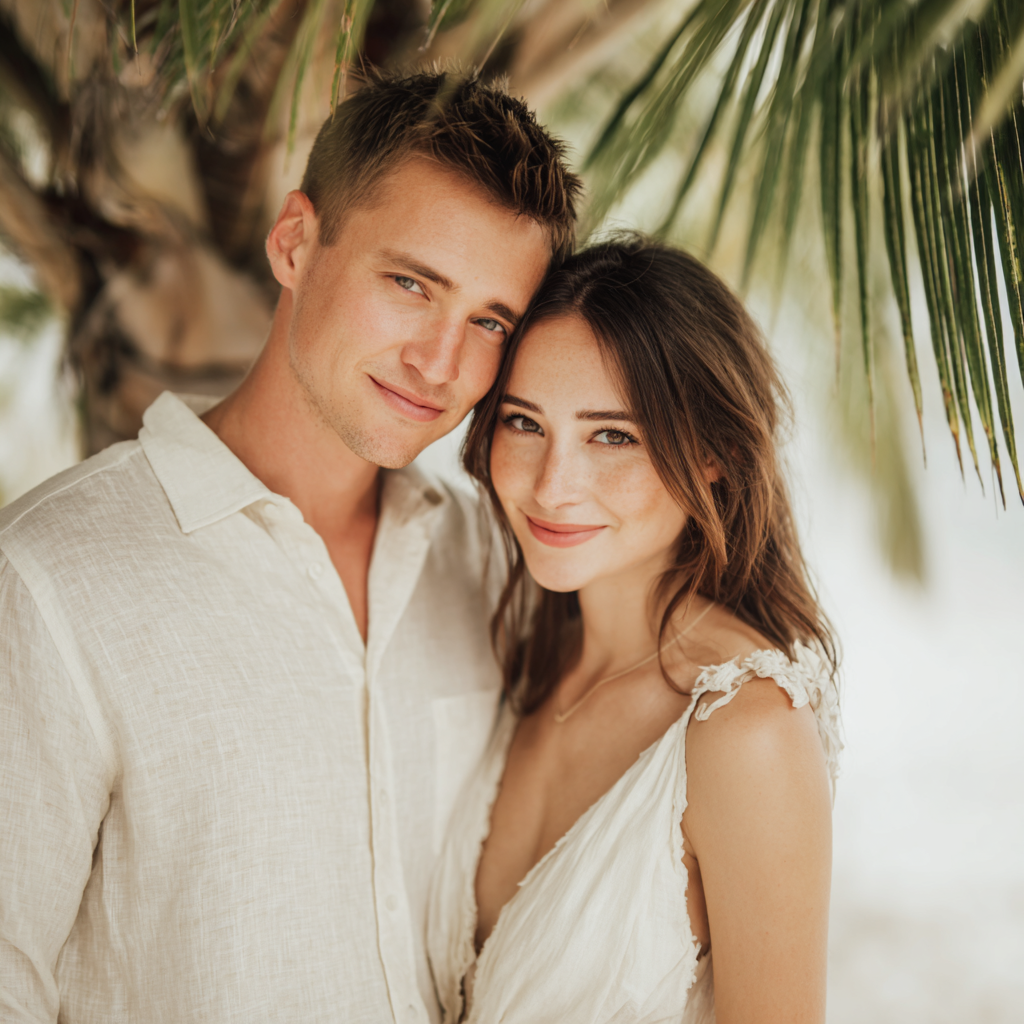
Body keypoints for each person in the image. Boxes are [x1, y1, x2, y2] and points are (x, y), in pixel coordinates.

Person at [0, 68, 580, 1023]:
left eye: (488, 322)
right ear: (296, 243)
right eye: (409, 284)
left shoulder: (487, 562)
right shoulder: (53, 580)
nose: (440, 362)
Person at [428, 237, 842, 1024]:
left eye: (611, 435)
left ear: (716, 454)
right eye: (524, 422)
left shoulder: (745, 730)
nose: (554, 486)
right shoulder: (520, 658)